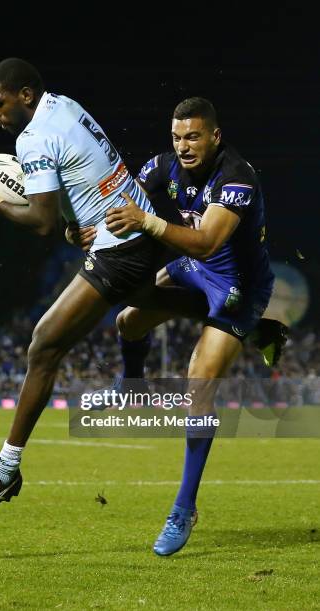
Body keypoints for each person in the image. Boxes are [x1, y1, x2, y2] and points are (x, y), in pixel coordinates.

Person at [0, 57, 164, 521]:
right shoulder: (65, 105)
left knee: (44, 346)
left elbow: (41, 220)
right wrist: (77, 222)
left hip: (119, 244)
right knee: (154, 302)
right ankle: (248, 317)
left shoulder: (33, 139)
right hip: (139, 225)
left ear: (25, 94)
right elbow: (88, 170)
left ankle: (3, 472)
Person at [98, 96, 279, 555]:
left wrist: (147, 221)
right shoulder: (162, 167)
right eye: (177, 137)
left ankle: (184, 508)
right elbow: (123, 205)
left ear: (214, 136)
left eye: (194, 136)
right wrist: (88, 228)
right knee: (128, 321)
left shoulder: (237, 177)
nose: (184, 146)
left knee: (199, 381)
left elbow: (205, 241)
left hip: (235, 285)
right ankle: (133, 383)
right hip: (192, 267)